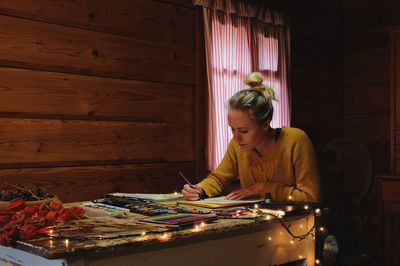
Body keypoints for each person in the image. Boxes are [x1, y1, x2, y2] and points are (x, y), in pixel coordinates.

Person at [182, 72, 321, 202]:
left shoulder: (295, 140)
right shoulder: (237, 145)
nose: (237, 138)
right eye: (232, 129)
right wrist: (200, 189)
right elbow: (219, 179)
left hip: (298, 224)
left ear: (265, 124)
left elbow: (311, 196)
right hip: (257, 220)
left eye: (243, 131)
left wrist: (262, 189)